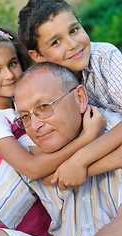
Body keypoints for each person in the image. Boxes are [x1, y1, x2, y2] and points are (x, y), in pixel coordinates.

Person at [0, 28, 105, 236]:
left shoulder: (18, 106)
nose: (9, 74)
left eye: (12, 63)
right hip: (17, 210)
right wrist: (87, 139)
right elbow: (32, 168)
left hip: (43, 200)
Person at [18, 0, 122, 186]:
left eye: (74, 30)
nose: (72, 44)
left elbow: (53, 175)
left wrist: (80, 162)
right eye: (56, 42)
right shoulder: (37, 88)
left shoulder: (105, 58)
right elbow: (45, 173)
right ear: (37, 57)